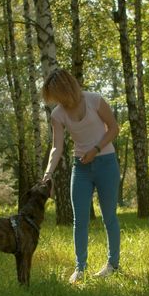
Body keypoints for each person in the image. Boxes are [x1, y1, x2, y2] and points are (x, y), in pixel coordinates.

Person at [41, 68, 121, 283]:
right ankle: (80, 268)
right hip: (81, 168)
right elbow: (56, 147)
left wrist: (96, 148)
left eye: (56, 95)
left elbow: (114, 128)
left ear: (66, 89)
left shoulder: (95, 100)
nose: (55, 101)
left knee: (109, 217)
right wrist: (48, 173)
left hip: (106, 163)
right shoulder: (58, 114)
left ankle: (113, 264)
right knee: (80, 220)